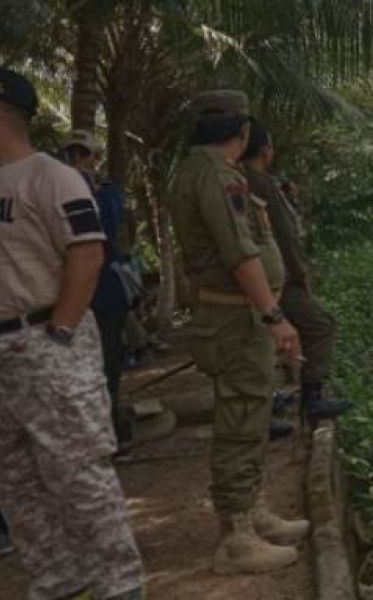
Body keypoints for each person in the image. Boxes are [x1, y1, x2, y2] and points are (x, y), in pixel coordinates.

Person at [0, 69, 144, 599]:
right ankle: (58, 580)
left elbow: (87, 252)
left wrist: (58, 333)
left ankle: (117, 585)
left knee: (78, 470)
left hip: (43, 338)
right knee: (15, 480)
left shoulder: (51, 177)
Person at [167, 90, 309, 575]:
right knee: (240, 421)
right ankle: (236, 538)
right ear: (243, 131)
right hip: (236, 318)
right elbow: (240, 252)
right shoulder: (216, 175)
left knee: (251, 417)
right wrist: (274, 316)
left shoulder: (206, 170)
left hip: (238, 317)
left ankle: (252, 510)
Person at [241, 120, 352, 426]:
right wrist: (298, 274)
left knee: (262, 343)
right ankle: (312, 398)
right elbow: (284, 237)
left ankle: (270, 404)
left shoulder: (245, 180)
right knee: (321, 326)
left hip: (258, 278)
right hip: (277, 279)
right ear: (266, 149)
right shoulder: (260, 184)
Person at [60, 130, 134, 448]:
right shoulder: (54, 189)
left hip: (106, 293)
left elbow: (112, 228)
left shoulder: (106, 194)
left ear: (94, 158)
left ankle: (112, 428)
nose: (79, 161)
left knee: (109, 364)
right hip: (72, 297)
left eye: (84, 155)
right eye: (72, 155)